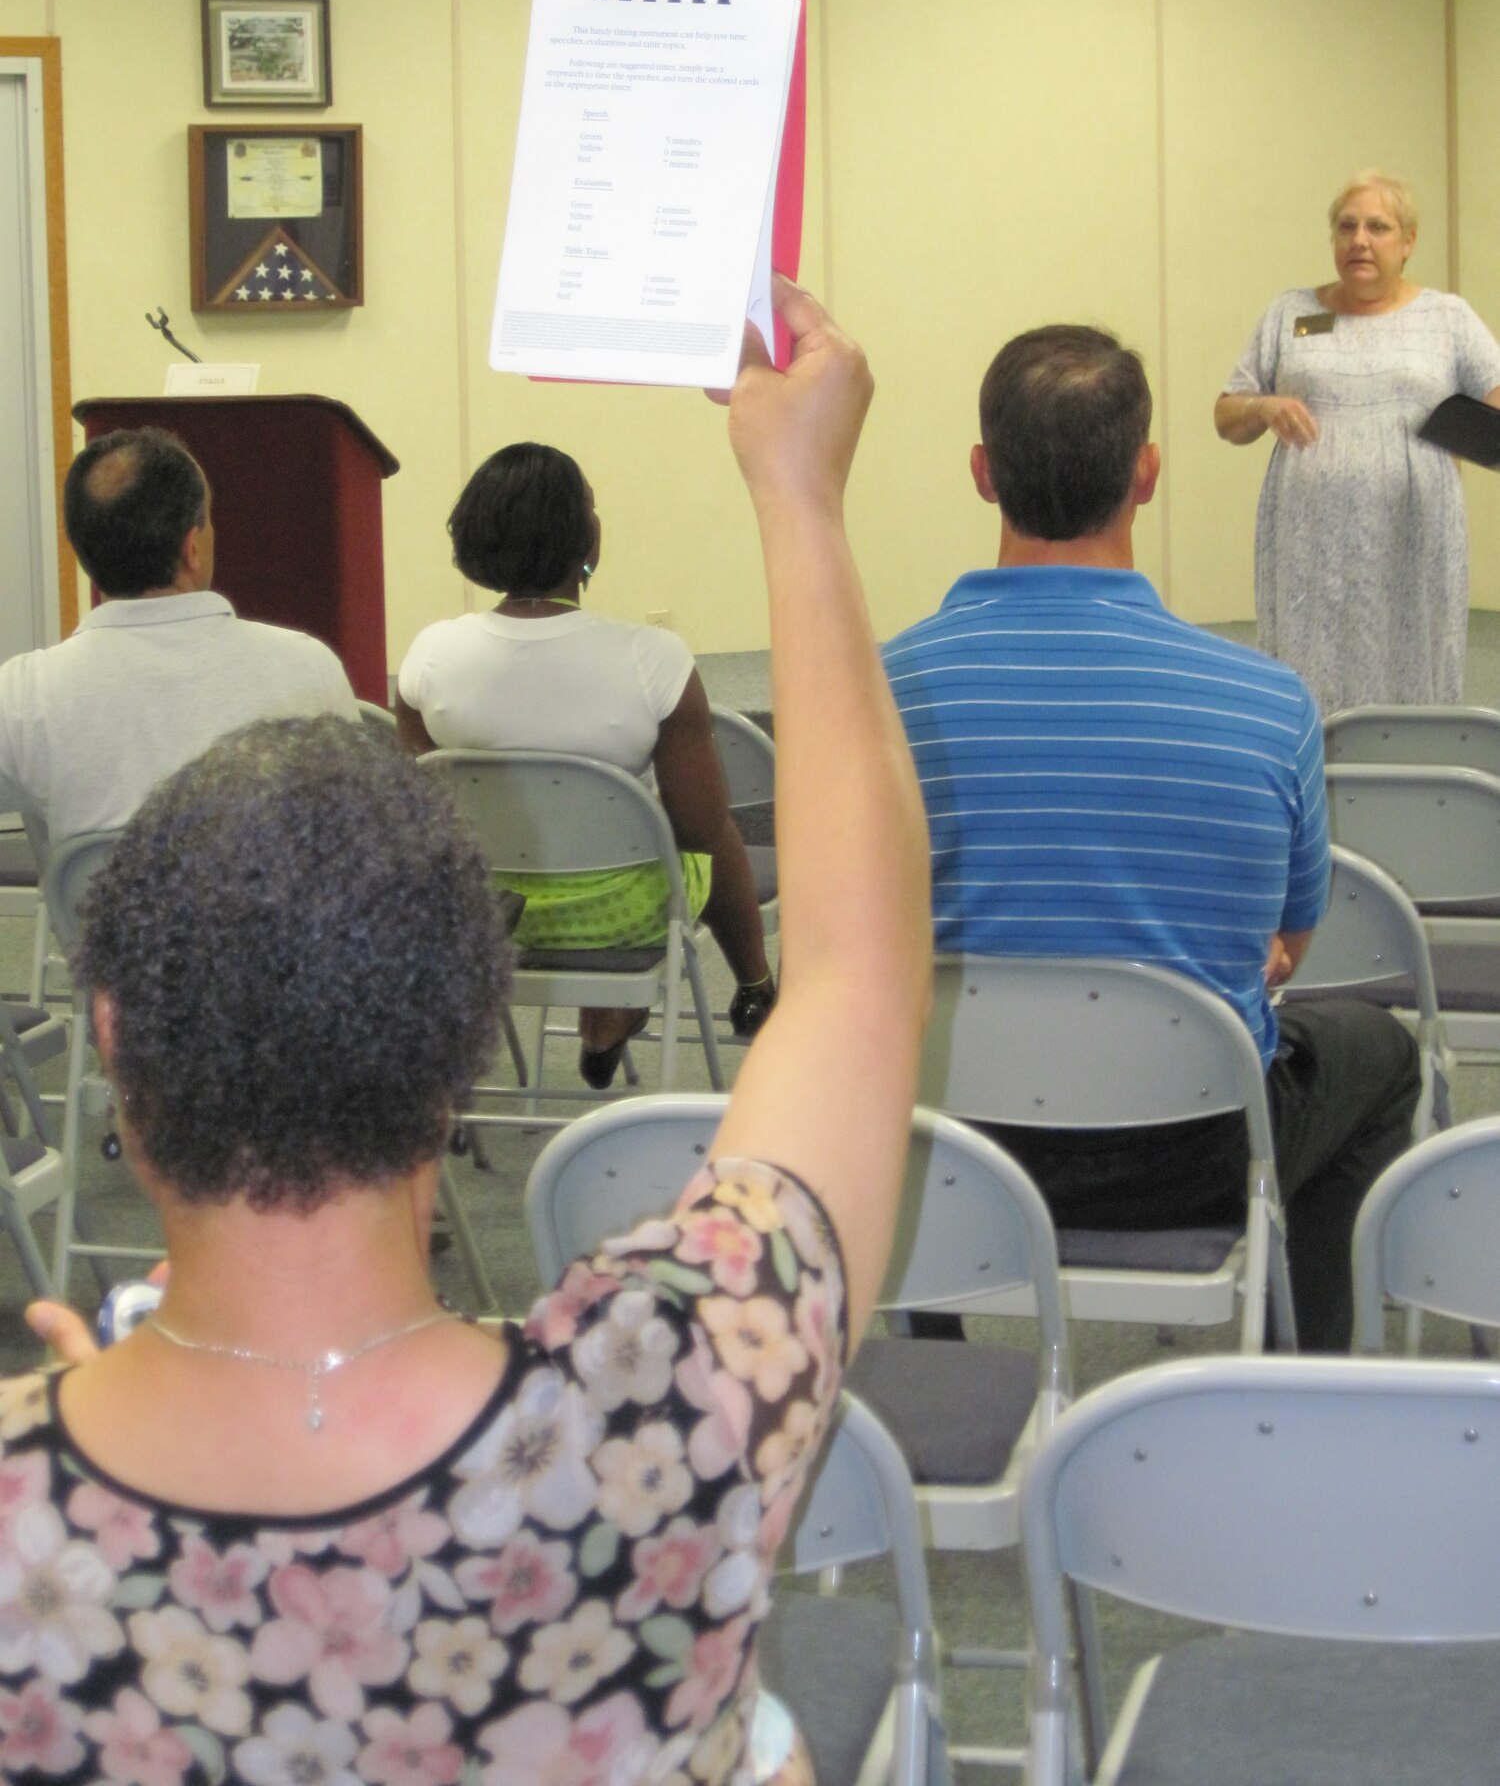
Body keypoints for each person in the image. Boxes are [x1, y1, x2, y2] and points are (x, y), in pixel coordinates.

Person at [15, 279, 932, 1786]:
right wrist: (798, 495)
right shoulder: (674, 1406)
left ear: (111, 1036)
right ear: (464, 1031)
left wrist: (79, 1432)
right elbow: (857, 973)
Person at [885, 322, 1417, 1350]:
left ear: (983, 475)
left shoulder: (875, 696)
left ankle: (937, 1377)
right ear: (1150, 473)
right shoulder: (1270, 703)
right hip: (1200, 1146)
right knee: (1378, 1051)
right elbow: (1285, 946)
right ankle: (1298, 1372)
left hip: (949, 1140)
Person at [396, 442, 775, 1085]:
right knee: (706, 836)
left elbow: (422, 811)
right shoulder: (653, 658)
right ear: (588, 539)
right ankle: (755, 986)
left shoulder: (428, 656)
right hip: (625, 915)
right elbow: (699, 832)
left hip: (487, 912)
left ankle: (598, 1016)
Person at [1215, 170, 1500, 714]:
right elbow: (1227, 414)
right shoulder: (1295, 314)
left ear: (1408, 241)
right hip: (1308, 538)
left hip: (1414, 535)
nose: (1360, 241)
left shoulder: (1447, 318)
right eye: (1346, 227)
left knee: (1413, 662)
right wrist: (1263, 406)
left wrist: (1453, 437)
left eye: (1378, 227)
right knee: (1310, 662)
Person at [0, 427, 359, 846]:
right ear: (192, 548)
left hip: (97, 913)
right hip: (264, 913)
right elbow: (353, 835)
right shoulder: (307, 668)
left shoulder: (21, 695)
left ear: (82, 552)